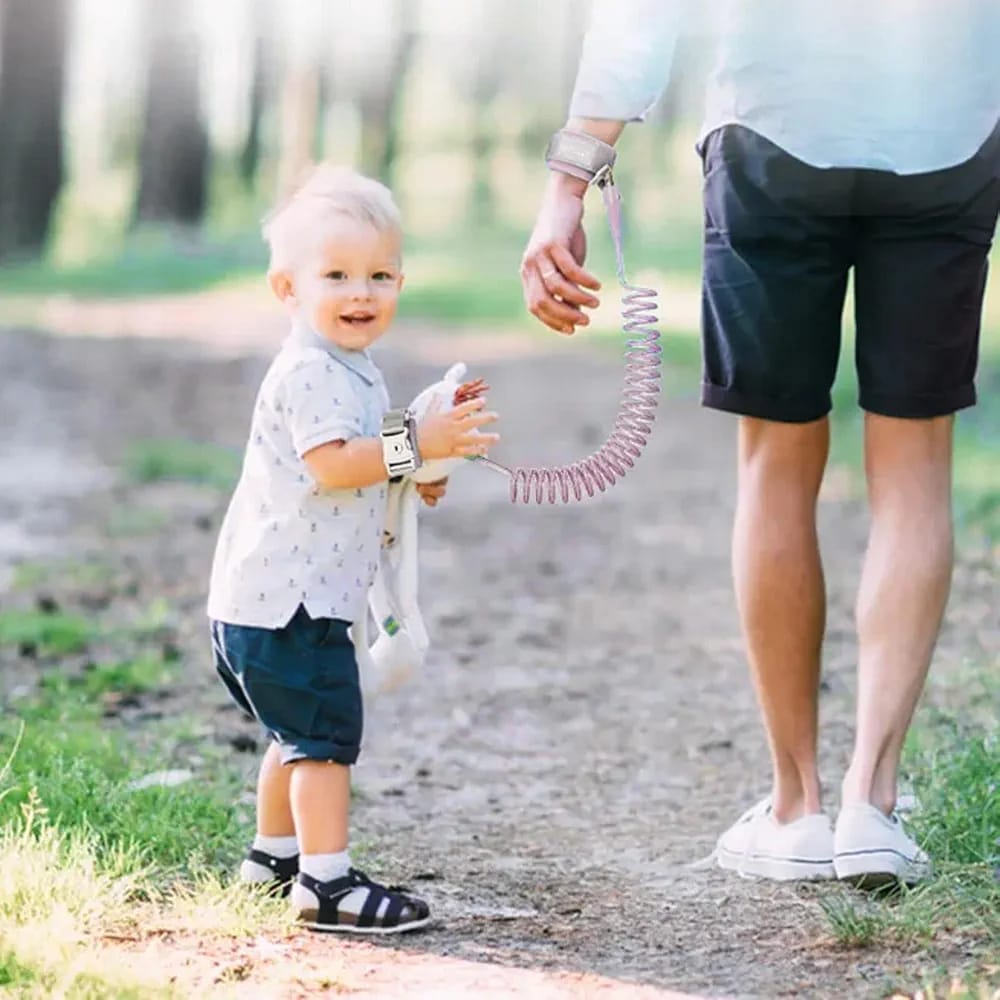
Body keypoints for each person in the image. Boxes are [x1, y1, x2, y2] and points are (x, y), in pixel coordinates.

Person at [521, 0, 999, 883]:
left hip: (773, 132)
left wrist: (571, 176)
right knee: (916, 466)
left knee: (777, 464)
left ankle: (798, 805)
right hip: (946, 137)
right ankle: (873, 802)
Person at [207, 165, 500, 932]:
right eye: (335, 274)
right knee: (326, 744)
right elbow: (334, 463)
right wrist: (412, 445)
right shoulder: (312, 372)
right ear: (287, 289)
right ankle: (326, 883)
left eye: (379, 275)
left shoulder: (347, 367)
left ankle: (273, 859)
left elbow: (362, 467)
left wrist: (416, 472)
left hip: (264, 602)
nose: (360, 293)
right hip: (290, 605)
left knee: (294, 736)